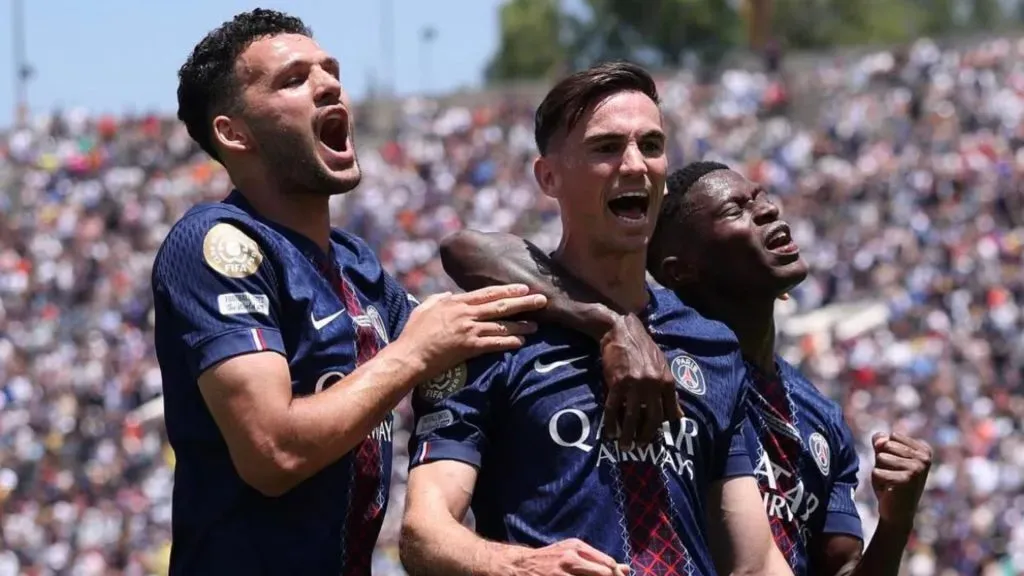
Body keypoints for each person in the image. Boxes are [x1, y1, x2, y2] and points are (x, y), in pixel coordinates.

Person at [151, 9, 548, 575]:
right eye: (293, 79)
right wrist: (413, 353)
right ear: (233, 132)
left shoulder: (356, 266)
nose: (329, 84)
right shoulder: (216, 243)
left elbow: (453, 335)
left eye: (330, 70)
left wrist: (614, 324)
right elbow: (273, 452)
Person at [440, 161, 934, 576]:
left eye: (760, 197)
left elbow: (839, 570)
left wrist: (895, 522)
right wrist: (609, 322)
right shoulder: (642, 361)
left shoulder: (819, 415)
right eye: (735, 209)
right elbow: (468, 249)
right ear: (678, 269)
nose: (767, 210)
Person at [400, 62, 792, 576]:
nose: (635, 164)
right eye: (607, 148)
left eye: (651, 146)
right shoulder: (488, 331)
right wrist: (522, 565)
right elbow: (423, 534)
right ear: (549, 177)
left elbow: (756, 560)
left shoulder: (710, 343)